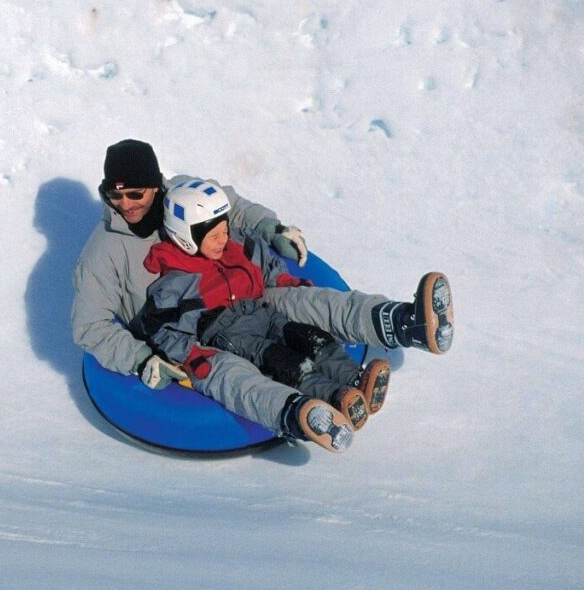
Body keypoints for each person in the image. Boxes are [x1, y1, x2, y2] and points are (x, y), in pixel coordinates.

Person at [71, 139, 454, 452]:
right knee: (244, 368)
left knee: (308, 303)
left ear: (156, 184)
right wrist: (141, 359)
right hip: (193, 329)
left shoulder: (183, 193)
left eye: (134, 192)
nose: (125, 205)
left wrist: (271, 230)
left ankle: (406, 323)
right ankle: (306, 412)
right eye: (113, 195)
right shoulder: (102, 254)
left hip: (242, 293)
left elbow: (233, 209)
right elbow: (90, 326)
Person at [129, 179, 395, 451]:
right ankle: (334, 398)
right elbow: (161, 329)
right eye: (214, 235)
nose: (223, 239)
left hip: (262, 312)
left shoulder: (238, 246)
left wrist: (284, 281)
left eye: (225, 230)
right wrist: (190, 356)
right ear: (185, 238)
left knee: (311, 338)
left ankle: (353, 379)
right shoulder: (175, 282)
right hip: (231, 333)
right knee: (285, 362)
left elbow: (267, 266)